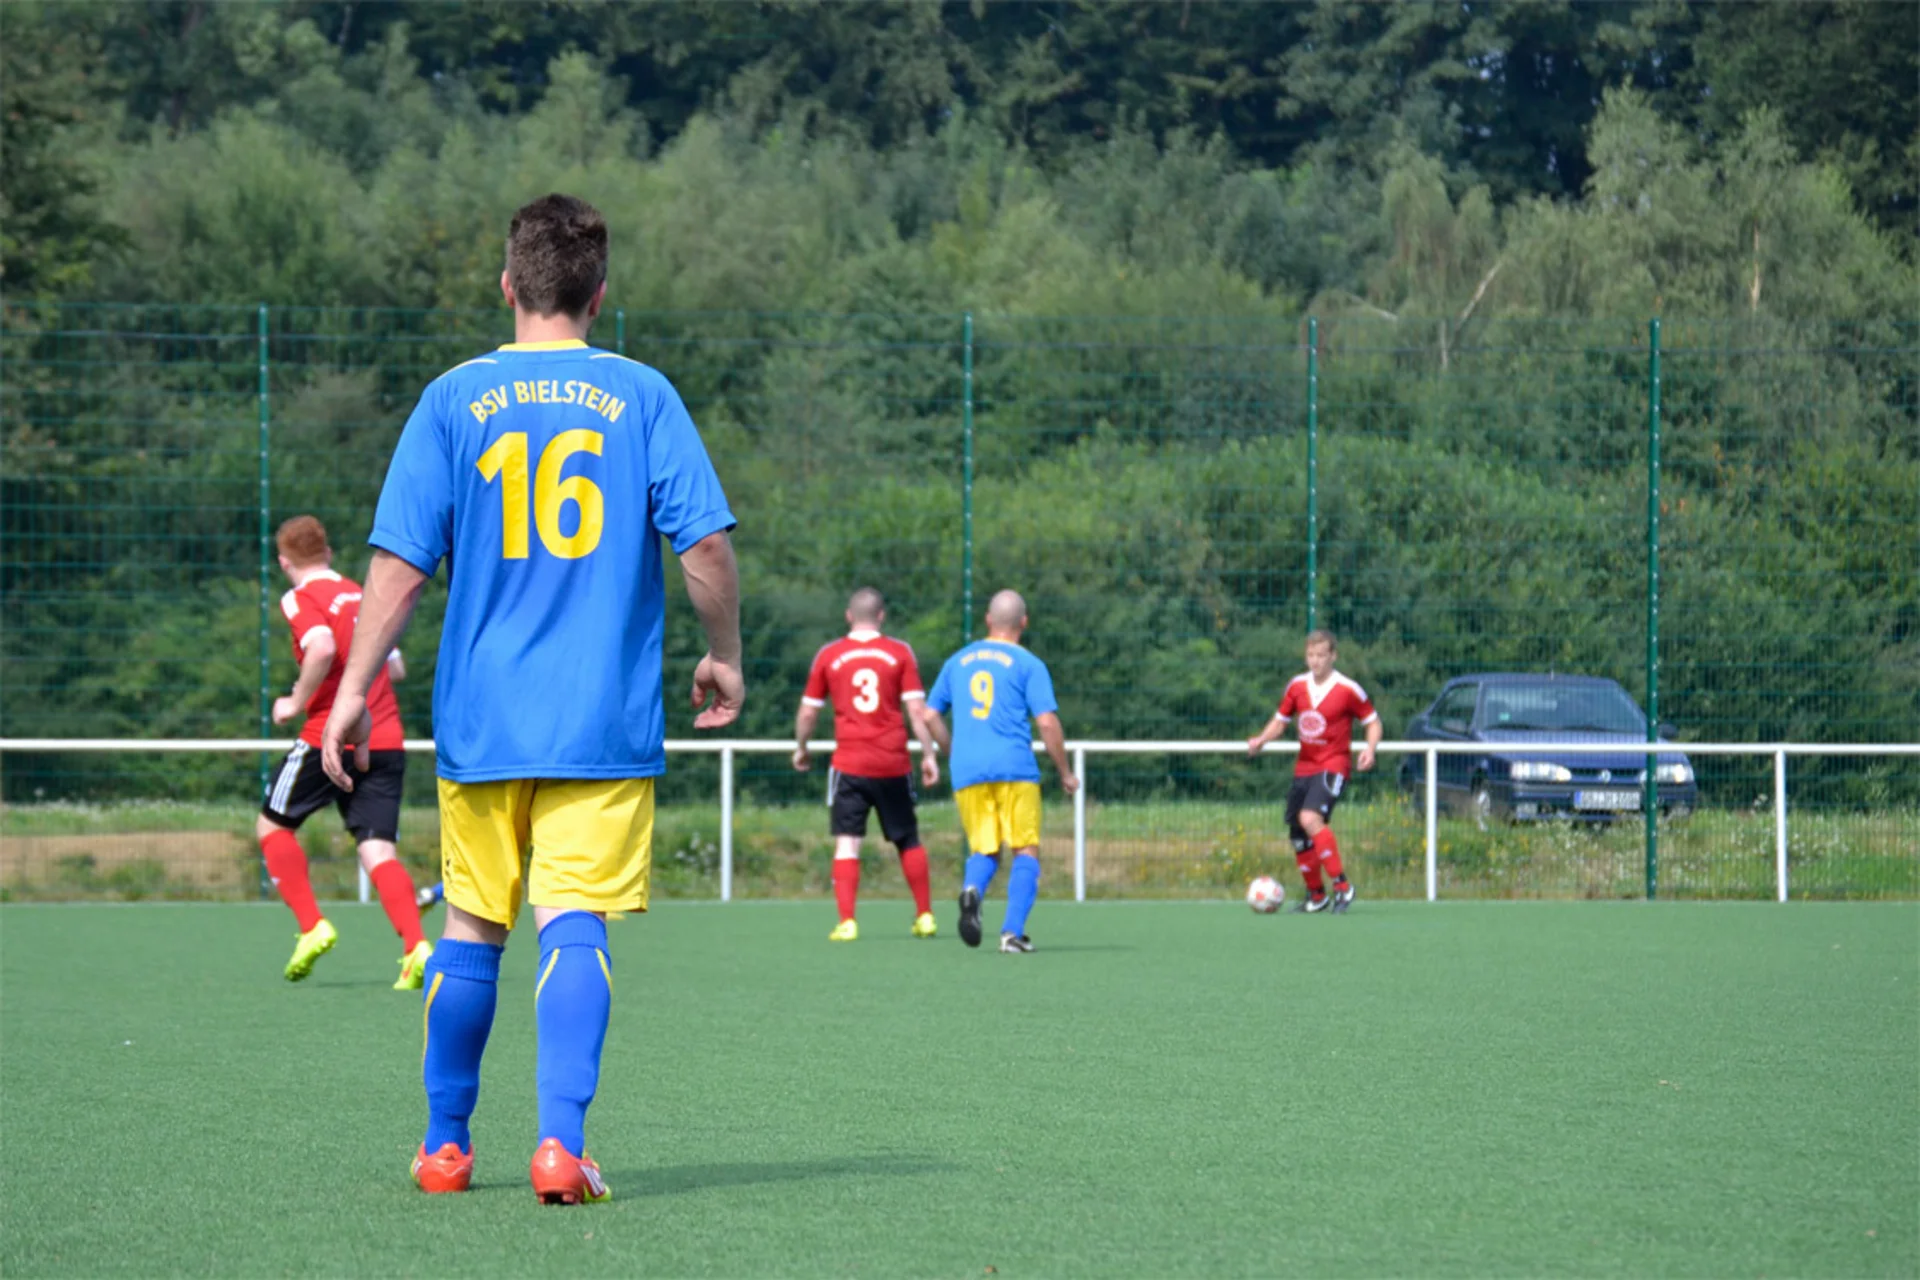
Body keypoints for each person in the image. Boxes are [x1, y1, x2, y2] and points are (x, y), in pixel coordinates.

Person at [319, 193, 743, 1205]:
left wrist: (350, 688)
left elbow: (398, 565)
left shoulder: (451, 398)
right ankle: (559, 1145)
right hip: (599, 717)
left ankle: (443, 1146)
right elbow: (708, 547)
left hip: (483, 718)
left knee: (470, 926)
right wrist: (723, 651)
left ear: (508, 285)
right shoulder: (642, 395)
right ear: (601, 294)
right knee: (574, 921)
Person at [257, 515, 430, 989]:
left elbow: (320, 645)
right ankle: (416, 946)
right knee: (377, 849)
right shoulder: (359, 592)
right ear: (328, 553)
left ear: (284, 561)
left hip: (327, 735)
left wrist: (295, 700)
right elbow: (394, 667)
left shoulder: (299, 597)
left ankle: (312, 925)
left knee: (272, 825)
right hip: (387, 737)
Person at [921, 590, 1078, 953]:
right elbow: (1047, 722)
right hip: (1013, 767)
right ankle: (1011, 934)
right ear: (1024, 622)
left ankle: (971, 890)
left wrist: (953, 751)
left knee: (985, 850)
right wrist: (1065, 772)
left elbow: (929, 715)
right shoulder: (1028, 663)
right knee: (1025, 850)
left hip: (968, 770)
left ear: (988, 621)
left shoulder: (957, 661)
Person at [793, 587, 941, 942]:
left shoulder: (830, 655)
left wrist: (801, 747)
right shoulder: (899, 652)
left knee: (847, 843)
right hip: (893, 762)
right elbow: (917, 712)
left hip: (850, 764)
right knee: (908, 838)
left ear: (848, 616)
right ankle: (924, 916)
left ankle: (848, 922)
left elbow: (808, 712)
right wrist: (930, 754)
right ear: (881, 616)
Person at [1244, 629, 1381, 914]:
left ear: (1333, 656)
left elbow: (1373, 721)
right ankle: (1316, 896)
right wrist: (1260, 739)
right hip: (1304, 766)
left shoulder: (1348, 689)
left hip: (1334, 764)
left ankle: (1342, 886)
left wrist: (1370, 748)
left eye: (1321, 655)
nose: (1315, 661)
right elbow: (1280, 722)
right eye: (1310, 655)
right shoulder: (1296, 686)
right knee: (1297, 832)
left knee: (1310, 817)